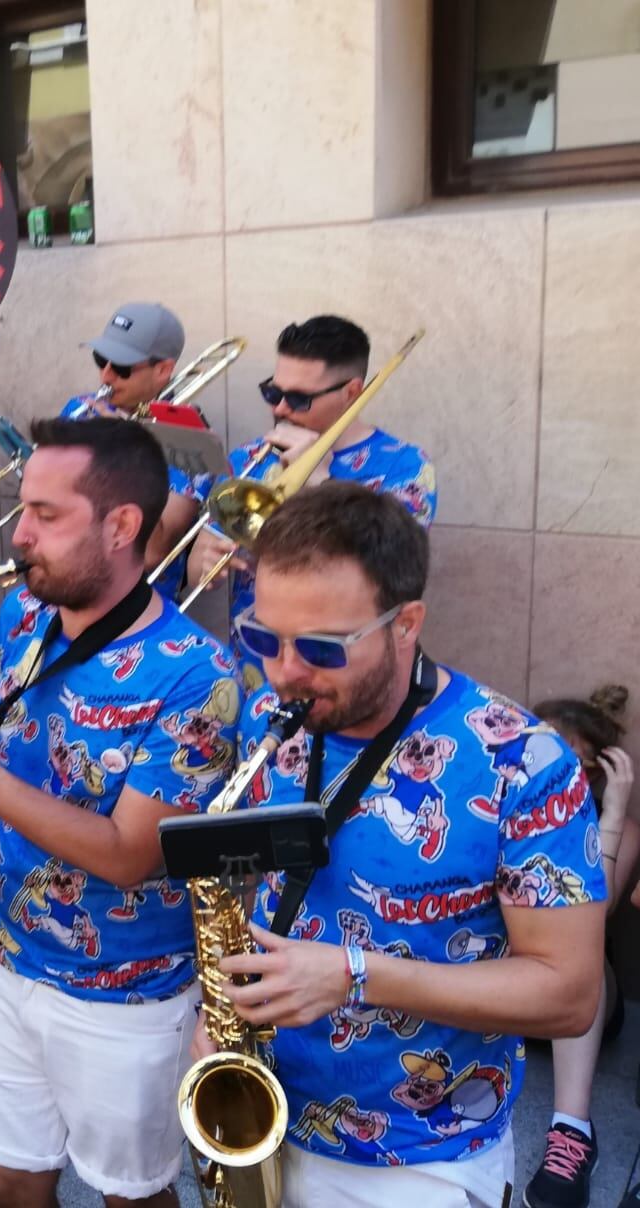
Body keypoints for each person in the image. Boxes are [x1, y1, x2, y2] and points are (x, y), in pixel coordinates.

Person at [0, 417, 241, 1208]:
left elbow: (129, 854)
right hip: (7, 957)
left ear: (122, 526)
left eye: (45, 513)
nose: (19, 533)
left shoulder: (197, 677)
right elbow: (7, 754)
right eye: (21, 509)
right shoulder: (24, 619)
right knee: (5, 1180)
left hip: (128, 993)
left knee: (131, 1195)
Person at [208, 481, 604, 1207]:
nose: (283, 672)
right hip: (263, 1109)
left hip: (422, 1157)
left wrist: (357, 975)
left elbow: (571, 993)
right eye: (263, 638)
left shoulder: (523, 762)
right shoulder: (273, 715)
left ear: (406, 623)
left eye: (321, 646)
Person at [188, 316, 436, 691]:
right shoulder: (251, 457)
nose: (282, 409)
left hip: (347, 679)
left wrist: (321, 485)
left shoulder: (406, 467)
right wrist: (202, 561)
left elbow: (392, 574)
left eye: (299, 399)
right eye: (273, 393)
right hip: (258, 674)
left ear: (352, 392)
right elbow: (197, 572)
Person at [520, 686, 636, 1208]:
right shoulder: (509, 813)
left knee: (578, 959)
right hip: (506, 991)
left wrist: (610, 813)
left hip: (582, 1004)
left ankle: (571, 1132)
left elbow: (603, 907)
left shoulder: (620, 826)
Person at [60, 302, 201, 576]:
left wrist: (125, 454)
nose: (105, 375)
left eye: (122, 367)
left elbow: (152, 551)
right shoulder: (80, 410)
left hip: (131, 602)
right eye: (101, 359)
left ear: (162, 370)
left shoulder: (190, 439)